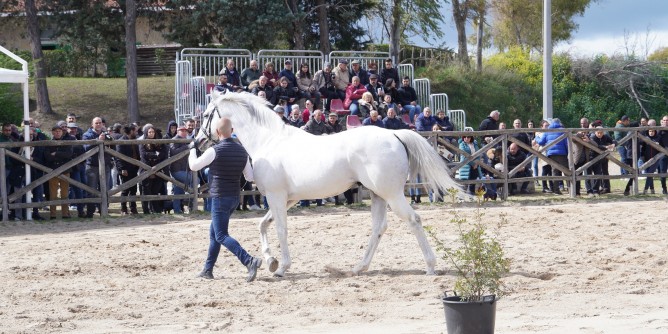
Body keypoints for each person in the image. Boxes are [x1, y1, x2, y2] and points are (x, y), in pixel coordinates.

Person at [188, 117, 262, 282]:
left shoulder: (215, 150)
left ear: (217, 133)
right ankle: (208, 269)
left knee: (221, 234)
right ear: (232, 131)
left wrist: (192, 149)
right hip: (234, 197)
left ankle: (249, 260)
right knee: (214, 233)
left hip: (220, 197)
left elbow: (194, 166)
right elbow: (249, 177)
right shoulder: (242, 151)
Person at [82, 117, 113, 218]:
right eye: (97, 123)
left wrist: (109, 138)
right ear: (92, 124)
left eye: (100, 123)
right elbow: (86, 148)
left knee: (105, 189)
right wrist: (98, 140)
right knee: (91, 190)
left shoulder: (106, 133)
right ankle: (90, 213)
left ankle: (103, 211)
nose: (99, 125)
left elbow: (113, 145)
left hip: (105, 165)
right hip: (92, 166)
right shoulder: (87, 135)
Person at [44, 125, 73, 219]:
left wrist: (56, 153)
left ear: (62, 132)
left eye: (59, 131)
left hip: (65, 170)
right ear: (52, 132)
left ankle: (65, 213)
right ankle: (53, 214)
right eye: (56, 131)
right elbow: (47, 156)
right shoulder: (49, 143)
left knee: (65, 193)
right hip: (52, 170)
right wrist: (60, 155)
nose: (57, 133)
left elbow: (68, 155)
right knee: (53, 194)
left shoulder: (66, 142)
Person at [534, 118, 569, 195]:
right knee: (567, 171)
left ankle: (556, 190)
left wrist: (536, 137)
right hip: (562, 153)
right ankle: (570, 188)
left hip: (551, 154)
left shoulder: (547, 131)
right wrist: (568, 153)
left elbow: (541, 142)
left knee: (555, 172)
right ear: (559, 123)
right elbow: (567, 143)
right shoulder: (563, 130)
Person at [139, 126, 167, 214]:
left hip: (158, 170)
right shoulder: (142, 143)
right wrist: (150, 171)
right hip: (145, 170)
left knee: (155, 191)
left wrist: (153, 156)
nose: (151, 134)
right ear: (146, 133)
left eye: (153, 132)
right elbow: (144, 156)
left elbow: (163, 154)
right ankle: (146, 211)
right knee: (146, 192)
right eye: (149, 132)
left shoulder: (159, 142)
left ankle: (156, 210)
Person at [116, 124, 140, 215]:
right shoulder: (121, 141)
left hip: (134, 168)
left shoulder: (134, 141)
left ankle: (133, 208)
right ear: (131, 131)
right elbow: (119, 157)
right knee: (125, 189)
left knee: (133, 189)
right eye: (135, 131)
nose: (137, 133)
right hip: (125, 169)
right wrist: (123, 169)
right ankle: (123, 208)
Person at [169, 125, 191, 214]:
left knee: (178, 190)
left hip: (184, 169)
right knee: (195, 180)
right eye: (182, 131)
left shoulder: (186, 140)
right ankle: (189, 200)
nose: (184, 132)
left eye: (185, 131)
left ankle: (177, 209)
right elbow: (173, 152)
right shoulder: (174, 140)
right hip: (177, 170)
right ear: (178, 131)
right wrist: (187, 147)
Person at [588, 126, 615, 195]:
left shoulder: (605, 136)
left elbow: (613, 140)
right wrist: (605, 147)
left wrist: (613, 144)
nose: (600, 134)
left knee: (602, 173)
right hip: (593, 157)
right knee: (591, 174)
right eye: (598, 133)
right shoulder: (593, 137)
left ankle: (603, 189)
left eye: (601, 133)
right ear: (595, 132)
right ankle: (591, 191)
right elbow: (596, 146)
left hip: (603, 156)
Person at [640, 121, 660, 195]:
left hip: (656, 159)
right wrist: (642, 157)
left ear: (655, 131)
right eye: (650, 131)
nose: (651, 132)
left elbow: (662, 147)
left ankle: (645, 190)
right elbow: (641, 146)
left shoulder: (658, 138)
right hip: (646, 159)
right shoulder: (645, 138)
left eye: (652, 131)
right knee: (650, 174)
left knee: (649, 174)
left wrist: (658, 145)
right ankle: (652, 190)